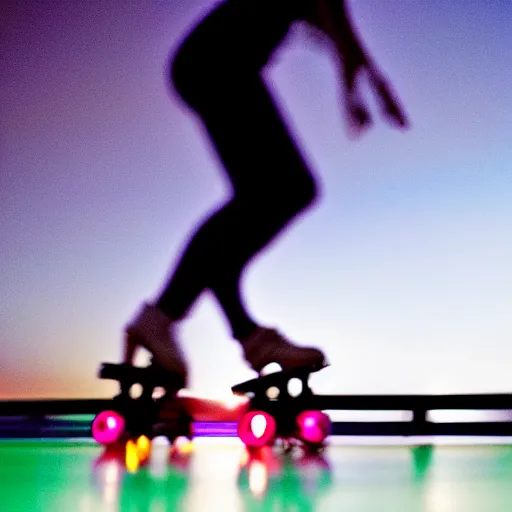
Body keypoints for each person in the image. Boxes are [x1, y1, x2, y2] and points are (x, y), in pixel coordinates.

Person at [124, 0, 409, 389]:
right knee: (289, 188)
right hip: (216, 61)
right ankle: (165, 318)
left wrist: (365, 89)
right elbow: (337, 25)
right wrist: (364, 91)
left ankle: (236, 334)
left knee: (261, 199)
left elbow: (342, 36)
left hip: (214, 62)